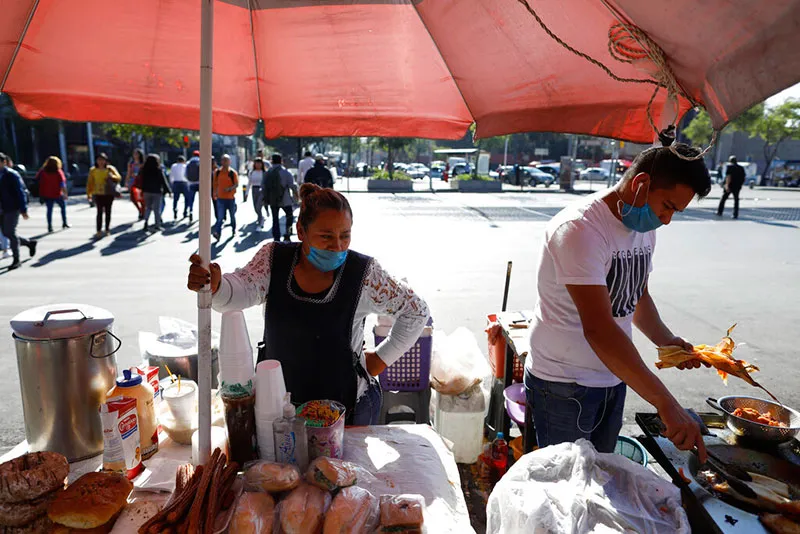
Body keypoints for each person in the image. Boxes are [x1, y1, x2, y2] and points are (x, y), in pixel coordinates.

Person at [517, 144, 711, 461]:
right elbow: (600, 330)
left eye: (675, 212)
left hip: (615, 376)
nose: (666, 220)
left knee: (602, 472)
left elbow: (637, 295)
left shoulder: (643, 228)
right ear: (641, 184)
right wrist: (665, 402)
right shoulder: (580, 229)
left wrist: (666, 340)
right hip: (564, 384)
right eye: (667, 206)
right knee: (568, 482)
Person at [187, 183, 430, 425]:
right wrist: (215, 286)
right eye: (326, 236)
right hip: (279, 407)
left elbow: (416, 311)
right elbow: (239, 291)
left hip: (347, 411)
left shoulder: (365, 274)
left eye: (345, 235)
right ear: (301, 231)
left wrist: (380, 359)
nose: (337, 246)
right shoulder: (273, 259)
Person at [0, 152, 37, 269]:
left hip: (11, 207)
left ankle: (16, 259)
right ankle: (29, 243)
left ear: (4, 162)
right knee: (6, 233)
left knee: (10, 232)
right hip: (1, 208)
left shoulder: (11, 175)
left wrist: (23, 209)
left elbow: (20, 192)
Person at [263, 154, 298, 242]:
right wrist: (296, 195)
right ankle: (288, 234)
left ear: (272, 161)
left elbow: (263, 186)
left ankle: (276, 237)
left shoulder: (268, 172)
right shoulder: (286, 172)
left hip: (272, 199)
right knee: (289, 217)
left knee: (275, 219)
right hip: (285, 199)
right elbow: (292, 185)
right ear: (281, 161)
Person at [87, 153, 122, 238]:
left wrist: (112, 176)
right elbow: (90, 182)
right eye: (99, 160)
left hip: (108, 193)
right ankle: (98, 230)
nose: (101, 162)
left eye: (103, 160)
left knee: (108, 211)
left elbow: (119, 178)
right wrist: (89, 194)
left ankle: (107, 229)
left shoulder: (110, 169)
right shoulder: (93, 170)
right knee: (99, 212)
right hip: (97, 193)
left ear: (106, 161)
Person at [138, 154, 172, 232]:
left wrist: (142, 190)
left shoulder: (143, 170)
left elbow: (141, 180)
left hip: (146, 191)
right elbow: (163, 181)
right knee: (157, 209)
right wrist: (169, 191)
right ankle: (157, 225)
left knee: (148, 208)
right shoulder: (158, 170)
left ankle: (146, 222)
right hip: (157, 191)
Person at [36, 156, 69, 232]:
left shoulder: (43, 171)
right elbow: (62, 184)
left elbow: (37, 179)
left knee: (49, 210)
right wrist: (65, 193)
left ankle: (50, 226)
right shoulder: (58, 171)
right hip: (57, 193)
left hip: (46, 193)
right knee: (63, 207)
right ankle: (64, 223)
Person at [212, 154, 238, 240]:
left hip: (230, 198)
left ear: (229, 162)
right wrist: (214, 193)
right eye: (223, 160)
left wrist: (230, 189)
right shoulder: (217, 172)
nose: (224, 162)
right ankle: (217, 233)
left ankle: (233, 229)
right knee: (220, 217)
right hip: (220, 198)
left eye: (226, 160)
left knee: (232, 216)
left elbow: (236, 184)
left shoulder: (232, 173)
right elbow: (215, 184)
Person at [249, 157, 268, 228]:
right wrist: (246, 193)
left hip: (262, 190)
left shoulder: (264, 173)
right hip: (254, 189)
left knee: (258, 206)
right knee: (255, 207)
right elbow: (249, 183)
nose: (258, 165)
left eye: (259, 163)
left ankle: (261, 220)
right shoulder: (251, 172)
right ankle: (260, 217)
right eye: (256, 163)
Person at [126, 149, 145, 220]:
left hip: (141, 182)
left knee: (142, 198)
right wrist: (127, 181)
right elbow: (129, 172)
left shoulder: (143, 163)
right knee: (133, 198)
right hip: (133, 181)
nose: (135, 155)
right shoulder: (131, 163)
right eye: (134, 154)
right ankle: (140, 210)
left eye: (137, 154)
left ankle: (143, 212)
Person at [169, 155, 189, 220]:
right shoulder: (185, 166)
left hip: (176, 182)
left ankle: (175, 209)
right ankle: (185, 212)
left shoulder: (173, 166)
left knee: (175, 198)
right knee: (186, 198)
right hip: (184, 182)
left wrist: (171, 183)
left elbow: (171, 175)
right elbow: (187, 175)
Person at [185, 150, 201, 222]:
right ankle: (201, 213)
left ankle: (190, 210)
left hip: (191, 183)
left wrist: (189, 181)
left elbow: (185, 174)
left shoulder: (188, 162)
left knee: (191, 199)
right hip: (200, 183)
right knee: (201, 200)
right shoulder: (200, 161)